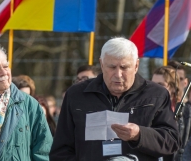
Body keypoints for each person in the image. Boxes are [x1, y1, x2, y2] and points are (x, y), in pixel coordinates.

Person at [51, 37, 179, 160]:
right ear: (101, 64)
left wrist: (139, 134)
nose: (118, 74)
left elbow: (171, 142)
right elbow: (61, 150)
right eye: (112, 67)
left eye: (124, 67)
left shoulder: (156, 95)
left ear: (136, 66)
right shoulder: (77, 95)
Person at [152, 66, 191, 161]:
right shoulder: (146, 109)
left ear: (173, 87)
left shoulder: (187, 111)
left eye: (160, 84)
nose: (154, 88)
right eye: (152, 84)